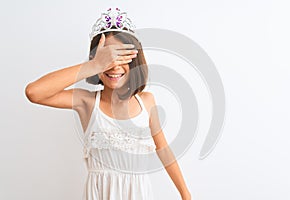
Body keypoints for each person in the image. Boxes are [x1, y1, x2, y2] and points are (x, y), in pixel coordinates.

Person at [25, 7, 191, 200]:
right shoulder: (86, 102)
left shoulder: (146, 101)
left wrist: (185, 194)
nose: (113, 66)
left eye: (121, 57)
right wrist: (94, 65)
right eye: (107, 59)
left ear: (134, 60)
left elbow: (163, 150)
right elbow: (34, 92)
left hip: (138, 194)